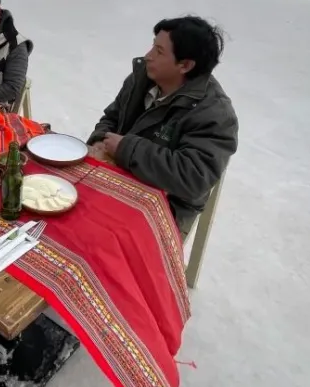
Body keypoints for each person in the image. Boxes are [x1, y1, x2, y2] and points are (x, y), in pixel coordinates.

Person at [88, 16, 238, 238]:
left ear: (185, 65)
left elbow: (193, 178)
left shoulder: (214, 113)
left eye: (159, 51)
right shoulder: (141, 79)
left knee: (107, 247)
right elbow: (111, 117)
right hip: (116, 178)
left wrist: (127, 149)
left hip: (168, 207)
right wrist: (100, 140)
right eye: (152, 46)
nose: (148, 56)